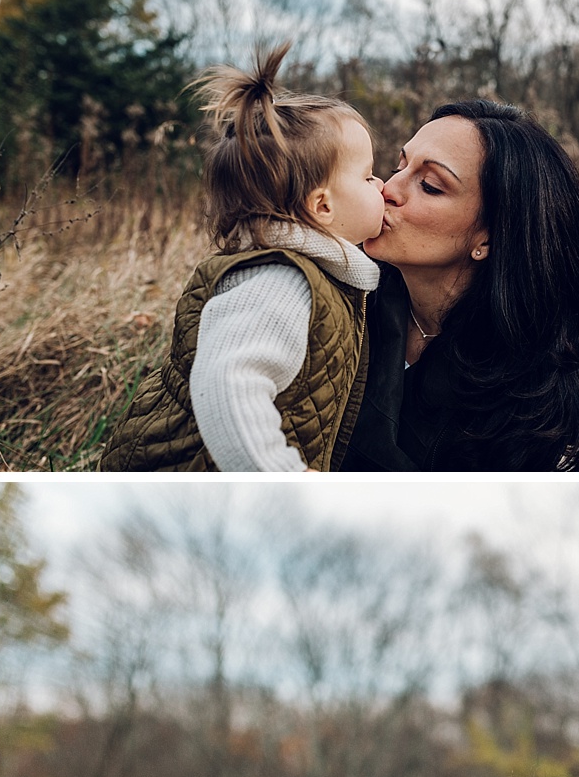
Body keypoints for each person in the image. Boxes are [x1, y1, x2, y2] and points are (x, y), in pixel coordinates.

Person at [101, 46, 383, 472]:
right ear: (322, 206)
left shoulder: (312, 276)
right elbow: (228, 385)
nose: (381, 184)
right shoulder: (281, 284)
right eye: (367, 176)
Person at [339, 100, 579, 472]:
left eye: (429, 185)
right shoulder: (344, 294)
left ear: (488, 238)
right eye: (398, 166)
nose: (387, 189)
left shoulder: (530, 396)